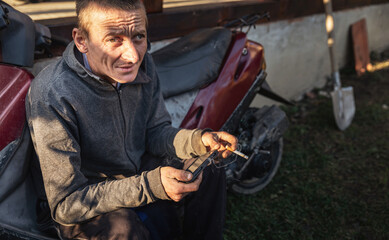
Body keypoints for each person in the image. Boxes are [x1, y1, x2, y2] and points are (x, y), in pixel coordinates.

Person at [25, 0, 237, 239]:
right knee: (123, 230)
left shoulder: (144, 63)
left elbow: (155, 131)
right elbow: (66, 204)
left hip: (135, 171)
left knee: (207, 163)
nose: (133, 55)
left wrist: (198, 141)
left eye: (138, 36)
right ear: (81, 40)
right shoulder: (53, 93)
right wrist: (150, 185)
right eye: (114, 39)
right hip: (86, 197)